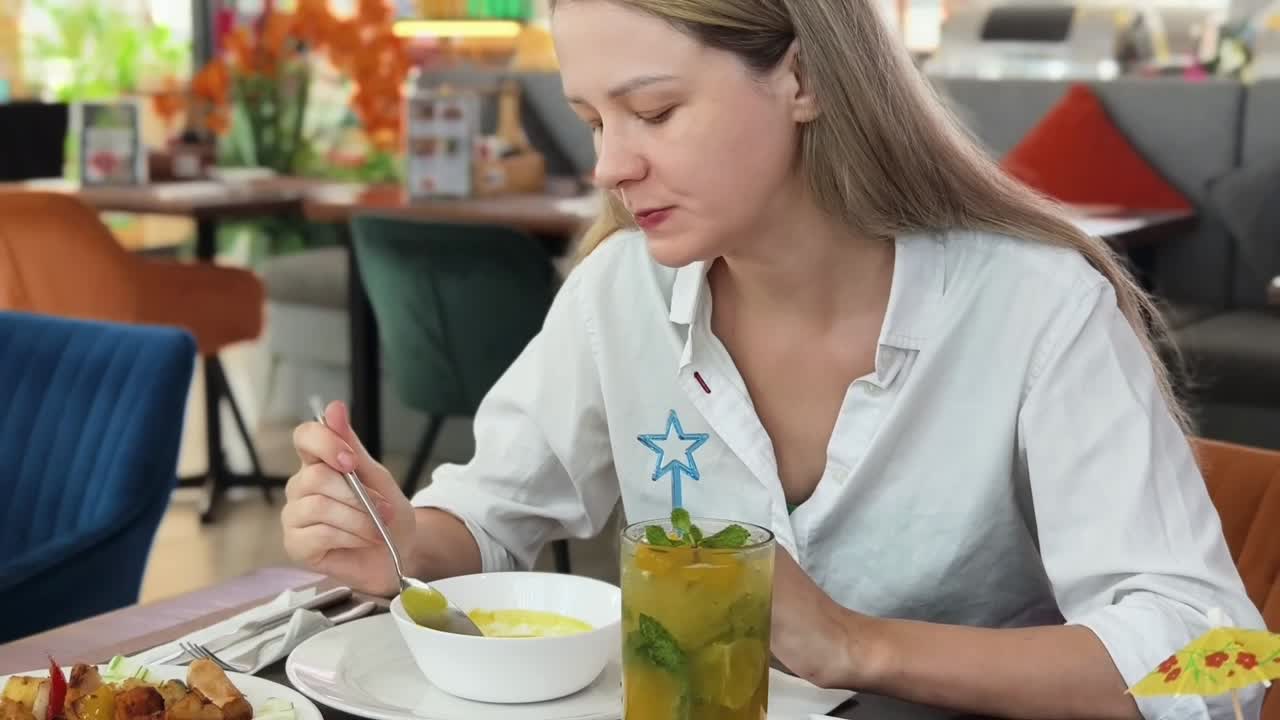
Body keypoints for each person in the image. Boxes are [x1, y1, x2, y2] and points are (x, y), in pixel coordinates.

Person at [283, 0, 1267, 717]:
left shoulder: (1037, 309)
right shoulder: (617, 292)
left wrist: (858, 646)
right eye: (592, 121)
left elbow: (1223, 661)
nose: (608, 167)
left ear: (800, 78)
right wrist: (403, 540)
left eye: (655, 111)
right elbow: (493, 515)